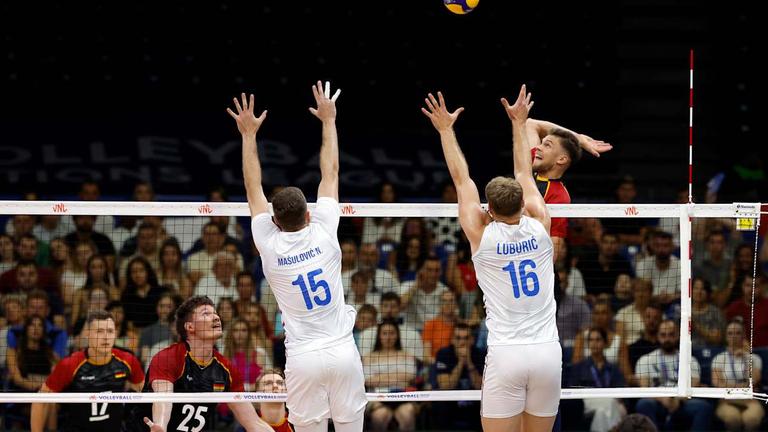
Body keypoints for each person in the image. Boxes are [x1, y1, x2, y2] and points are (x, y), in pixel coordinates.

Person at [422, 84, 560, 432]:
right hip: (547, 352)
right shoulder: (540, 223)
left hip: (507, 354)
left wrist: (446, 130)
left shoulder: (481, 234)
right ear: (523, 205)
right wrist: (519, 124)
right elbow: (524, 173)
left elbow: (461, 179)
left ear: (490, 210)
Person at [233, 82, 367, 432]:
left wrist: (248, 135)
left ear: (275, 221)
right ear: (309, 214)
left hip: (303, 357)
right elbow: (331, 172)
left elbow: (252, 187)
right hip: (341, 350)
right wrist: (329, 120)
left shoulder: (268, 242)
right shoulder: (324, 229)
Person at [137, 296, 272, 432]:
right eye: (206, 314)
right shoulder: (168, 358)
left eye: (215, 313)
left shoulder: (227, 370)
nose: (216, 317)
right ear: (190, 326)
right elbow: (163, 400)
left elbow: (254, 423)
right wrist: (160, 426)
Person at [30, 311, 144, 432]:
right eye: (99, 331)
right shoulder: (70, 364)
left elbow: (147, 394)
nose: (106, 337)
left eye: (110, 331)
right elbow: (40, 401)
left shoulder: (128, 361)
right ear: (87, 334)